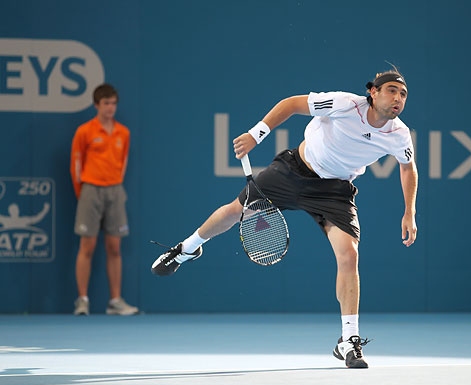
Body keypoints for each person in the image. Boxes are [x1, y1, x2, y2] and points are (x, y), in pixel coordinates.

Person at [151, 69, 418, 368]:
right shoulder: (344, 104)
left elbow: (408, 167)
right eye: (392, 90)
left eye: (403, 94)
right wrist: (256, 135)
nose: (398, 98)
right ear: (373, 92)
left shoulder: (399, 134)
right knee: (235, 211)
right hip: (294, 171)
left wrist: (409, 211)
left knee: (349, 254)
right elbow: (291, 104)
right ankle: (186, 248)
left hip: (334, 191)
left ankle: (348, 340)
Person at [70, 83, 139, 316]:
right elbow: (76, 166)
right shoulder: (84, 131)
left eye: (113, 103)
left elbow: (123, 164)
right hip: (90, 190)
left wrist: (115, 186)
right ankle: (82, 300)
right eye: (106, 103)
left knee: (114, 247)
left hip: (115, 190)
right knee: (87, 246)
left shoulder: (123, 133)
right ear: (96, 105)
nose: (110, 108)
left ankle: (115, 301)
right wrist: (83, 193)